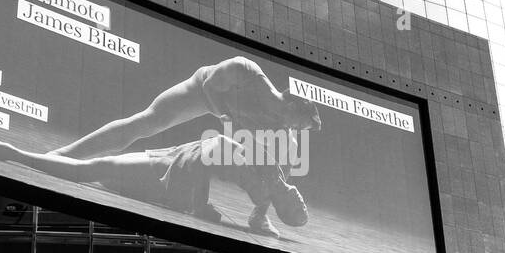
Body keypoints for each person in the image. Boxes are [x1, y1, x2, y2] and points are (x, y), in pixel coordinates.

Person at [0, 131, 309, 238]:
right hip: (178, 159)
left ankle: (7, 152)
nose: (301, 200)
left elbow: (216, 148)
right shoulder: (277, 177)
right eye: (303, 203)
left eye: (298, 208)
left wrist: (199, 203)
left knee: (90, 170)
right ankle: (7, 151)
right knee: (100, 171)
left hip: (174, 173)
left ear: (283, 207)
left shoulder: (264, 193)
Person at [49, 56, 321, 162]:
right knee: (144, 124)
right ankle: (65, 154)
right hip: (198, 90)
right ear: (293, 105)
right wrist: (228, 115)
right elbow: (211, 87)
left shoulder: (280, 123)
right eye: (299, 123)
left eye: (301, 129)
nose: (296, 129)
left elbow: (285, 153)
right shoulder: (247, 70)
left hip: (216, 108)